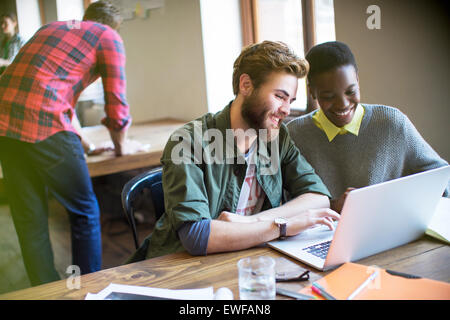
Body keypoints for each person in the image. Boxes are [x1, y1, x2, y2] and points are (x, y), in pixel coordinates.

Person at [131, 41, 339, 261]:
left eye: (290, 100)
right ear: (246, 85)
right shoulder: (188, 141)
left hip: (250, 260)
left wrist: (253, 222)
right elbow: (196, 236)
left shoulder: (277, 138)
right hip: (182, 269)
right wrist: (283, 226)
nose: (286, 110)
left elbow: (319, 197)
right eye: (279, 96)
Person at [0, 1, 131, 286]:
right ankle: (87, 289)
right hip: (44, 122)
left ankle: (44, 288)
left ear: (87, 17)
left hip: (4, 124)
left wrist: (87, 145)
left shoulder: (51, 28)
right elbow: (117, 106)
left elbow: (47, 92)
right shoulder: (108, 36)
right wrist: (121, 149)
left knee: (29, 217)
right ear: (114, 25)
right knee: (83, 211)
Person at [287, 41, 449, 213]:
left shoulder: (391, 123)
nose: (343, 104)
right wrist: (332, 206)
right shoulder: (294, 134)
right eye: (328, 96)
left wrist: (394, 200)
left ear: (357, 79)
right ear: (312, 91)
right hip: (324, 234)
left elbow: (442, 178)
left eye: (350, 92)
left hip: (389, 227)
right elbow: (283, 200)